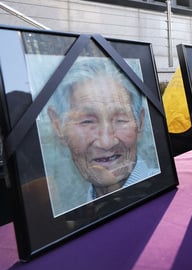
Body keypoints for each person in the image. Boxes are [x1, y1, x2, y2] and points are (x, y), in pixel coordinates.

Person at [47, 58, 160, 203]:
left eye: (120, 120)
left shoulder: (163, 188)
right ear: (58, 126)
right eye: (87, 121)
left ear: (140, 122)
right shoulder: (77, 209)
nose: (106, 143)